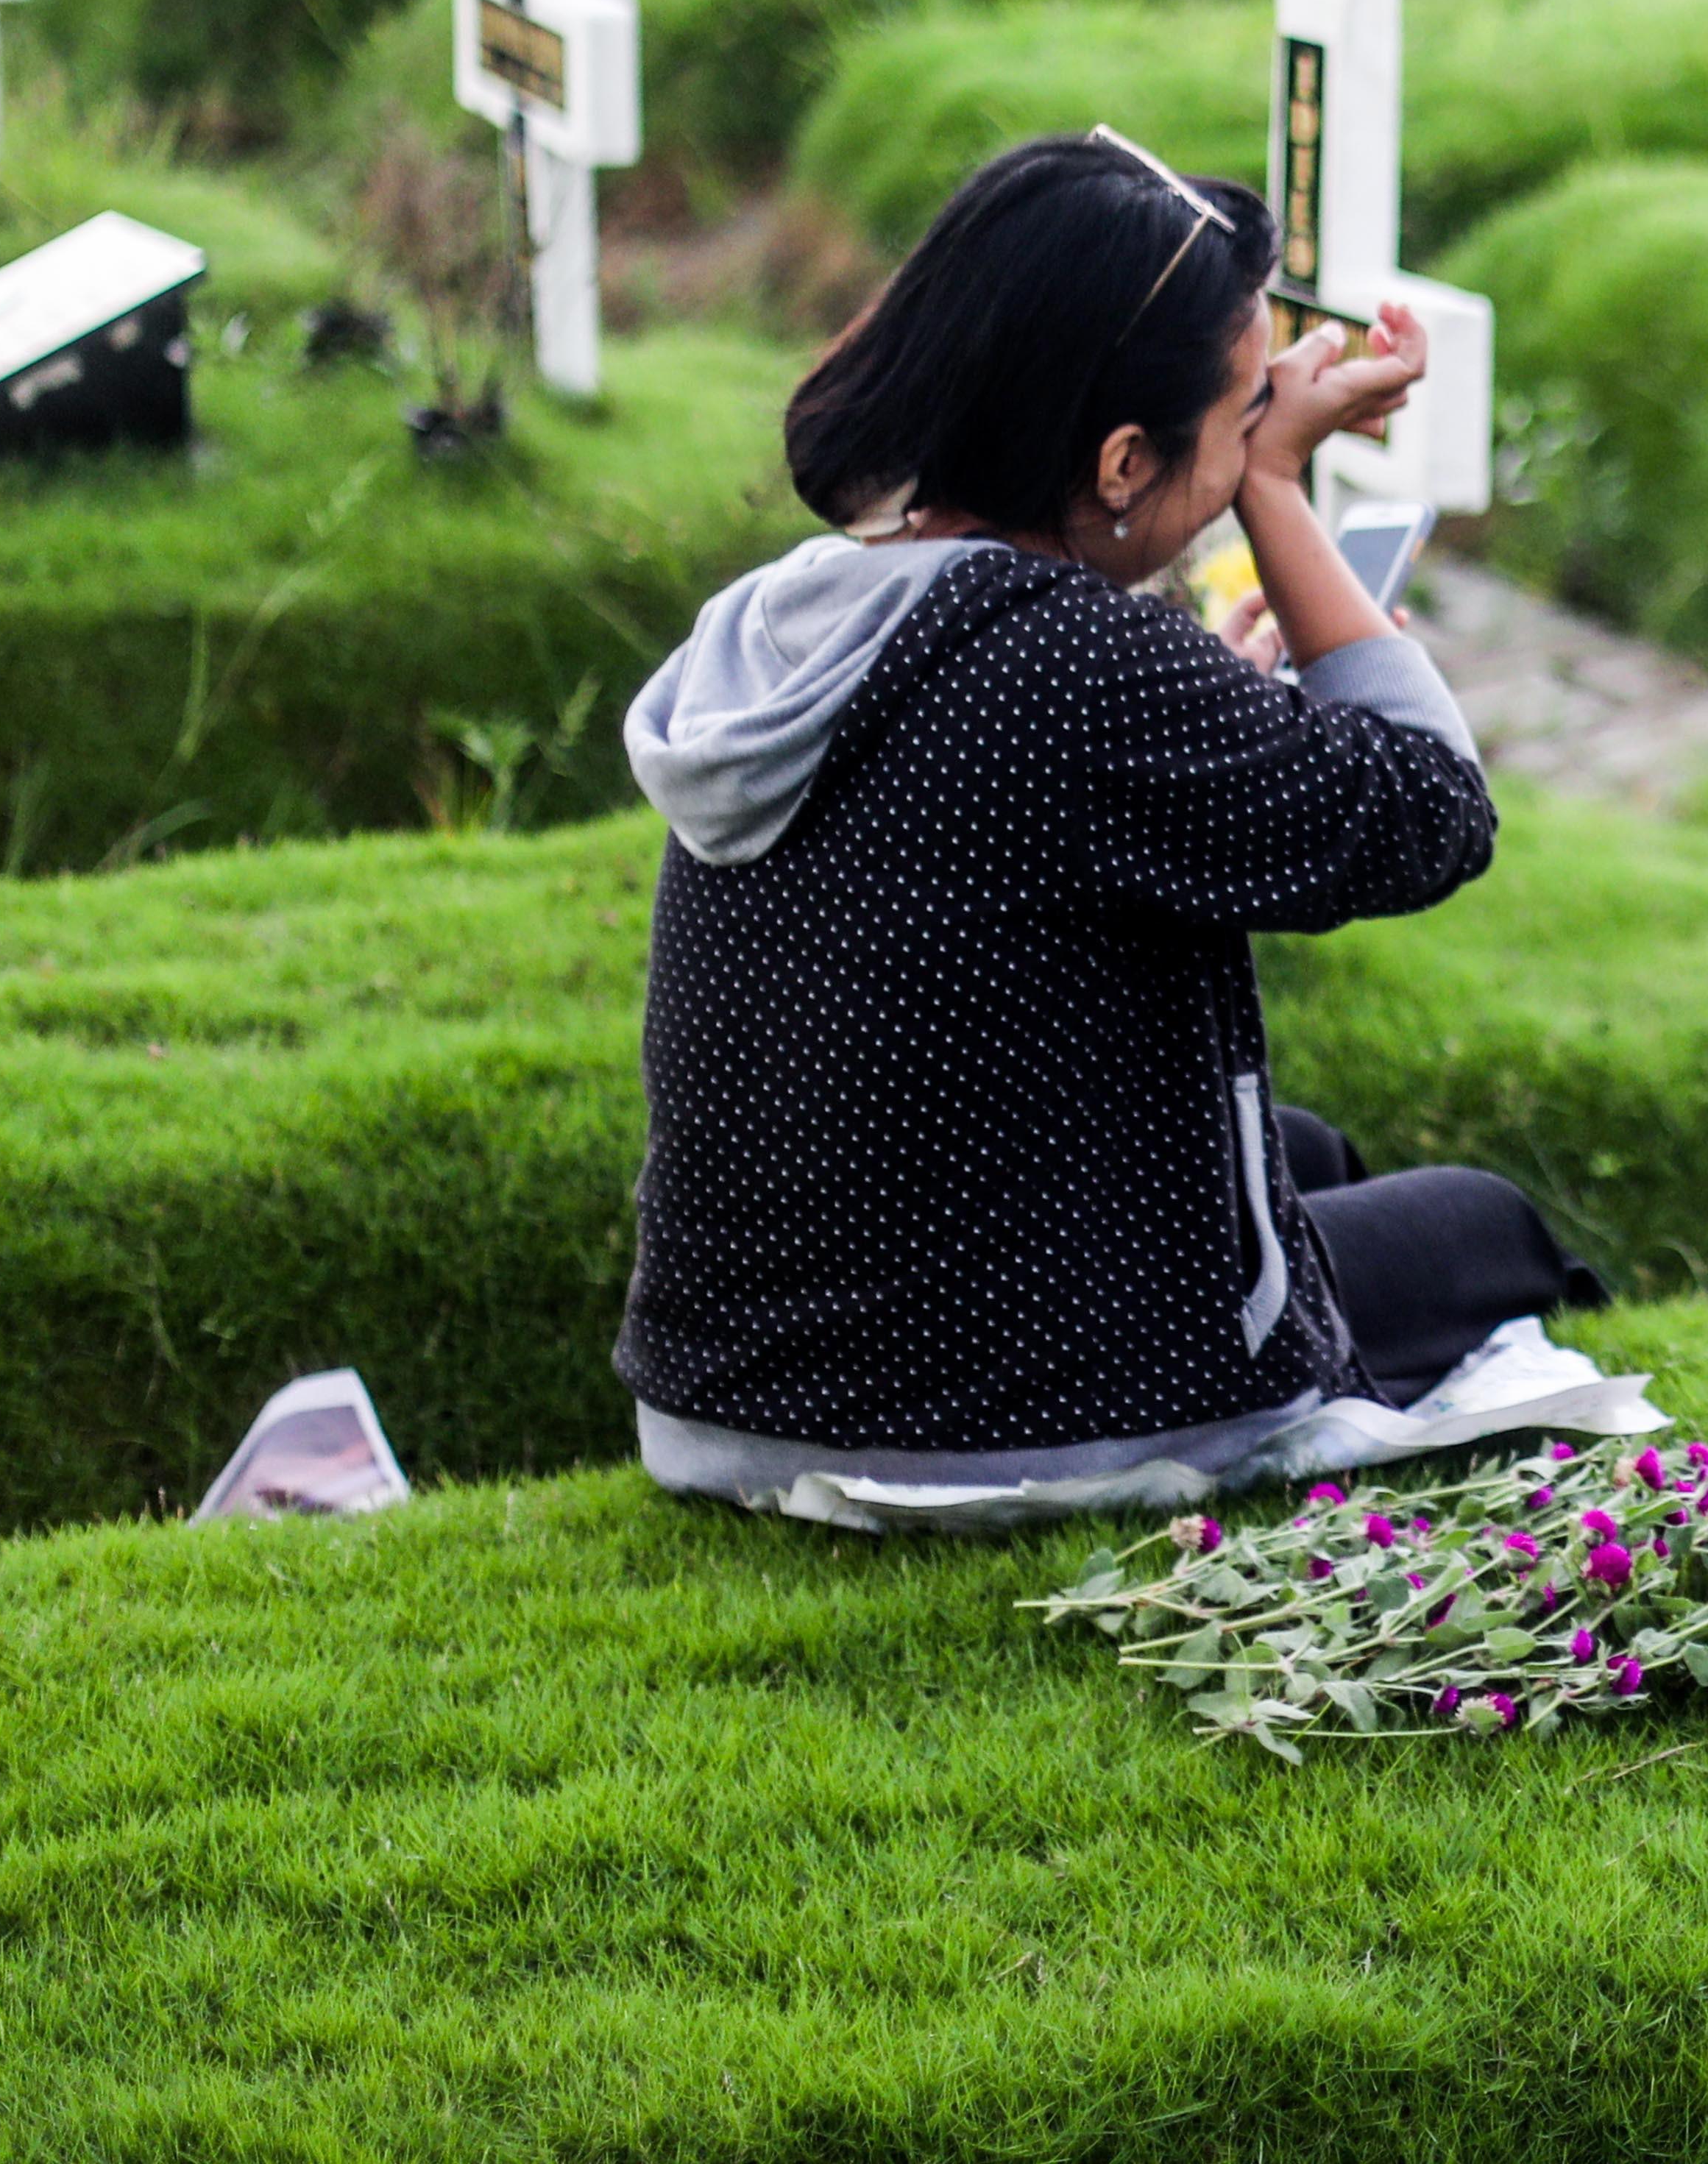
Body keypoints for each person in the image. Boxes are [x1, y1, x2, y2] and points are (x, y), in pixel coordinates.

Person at [614, 132, 1600, 1522]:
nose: (1257, 433)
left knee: (1301, 1155)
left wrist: (1212, 650)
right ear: (1125, 458)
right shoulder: (1081, 667)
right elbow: (1431, 813)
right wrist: (1277, 492)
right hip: (973, 1428)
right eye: (1241, 409)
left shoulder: (795, 617)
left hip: (725, 1400)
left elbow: (989, 810)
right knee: (1485, 1225)